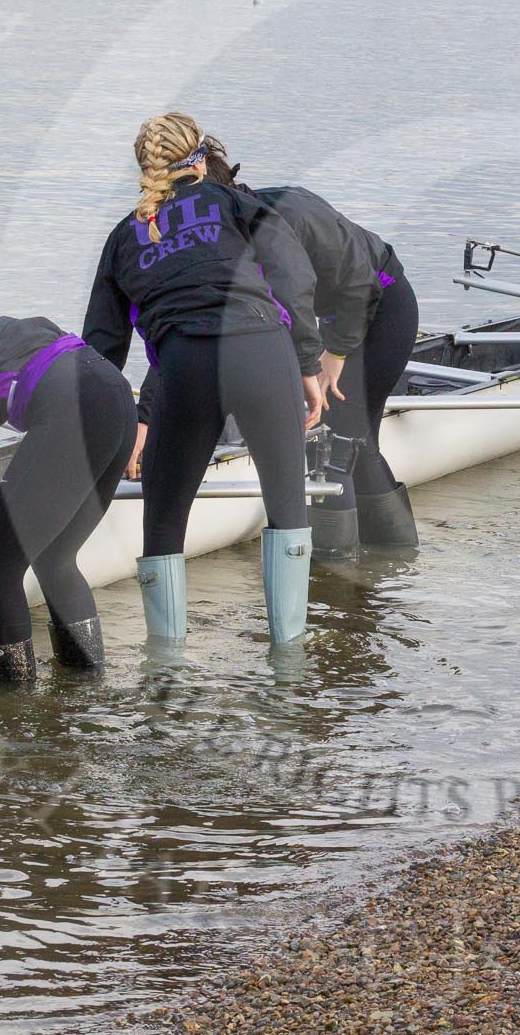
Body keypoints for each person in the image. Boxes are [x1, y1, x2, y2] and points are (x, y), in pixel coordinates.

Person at [83, 112, 327, 645]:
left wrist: (116, 431)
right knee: (287, 509)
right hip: (262, 354)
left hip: (183, 368)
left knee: (164, 523)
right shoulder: (233, 201)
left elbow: (100, 353)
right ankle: (289, 668)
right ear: (198, 156)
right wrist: (308, 363)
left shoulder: (123, 237)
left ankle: (165, 678)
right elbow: (294, 277)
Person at [192, 137, 421, 559]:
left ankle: (351, 556)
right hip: (334, 323)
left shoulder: (294, 211)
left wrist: (332, 355)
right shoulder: (230, 235)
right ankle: (376, 570)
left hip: (382, 308)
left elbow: (359, 285)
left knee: (343, 434)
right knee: (352, 437)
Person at [0, 314, 134, 681]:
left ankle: (10, 709)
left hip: (73, 403)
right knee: (56, 558)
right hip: (112, 388)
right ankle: (87, 684)